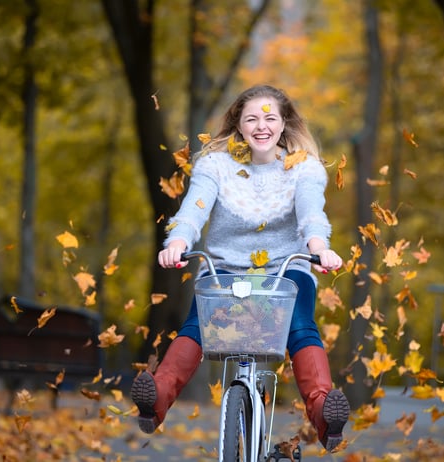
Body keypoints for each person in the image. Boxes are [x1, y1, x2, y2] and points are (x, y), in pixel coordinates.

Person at [130, 84, 350, 452]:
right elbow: (193, 210)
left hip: (285, 270)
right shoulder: (215, 165)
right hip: (226, 271)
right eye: (251, 118)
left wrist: (320, 249)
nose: (261, 126)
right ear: (238, 124)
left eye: (270, 118)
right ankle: (158, 397)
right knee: (199, 323)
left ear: (284, 124)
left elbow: (312, 214)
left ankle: (324, 411)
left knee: (299, 325)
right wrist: (178, 244)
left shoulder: (304, 168)